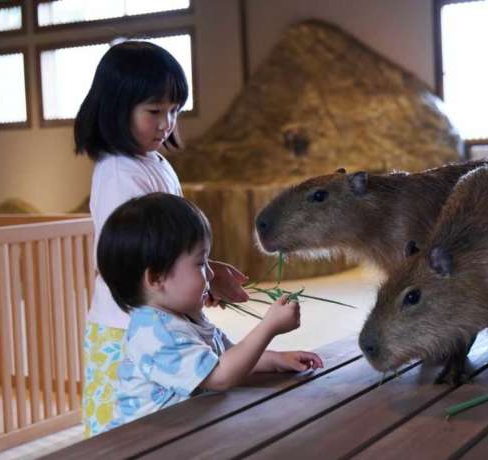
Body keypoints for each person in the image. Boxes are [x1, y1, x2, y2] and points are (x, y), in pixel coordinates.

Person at [74, 40, 249, 437]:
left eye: (174, 111)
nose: (166, 123)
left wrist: (206, 271)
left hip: (158, 313)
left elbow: (169, 242)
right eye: (154, 111)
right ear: (117, 108)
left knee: (173, 420)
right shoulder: (119, 173)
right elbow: (139, 254)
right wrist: (199, 276)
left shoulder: (153, 162)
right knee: (125, 432)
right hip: (128, 323)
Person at [97, 193, 323, 427]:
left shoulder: (184, 316)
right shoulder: (154, 331)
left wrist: (276, 360)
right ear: (156, 277)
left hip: (184, 431)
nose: (211, 273)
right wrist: (269, 327)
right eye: (201, 263)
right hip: (143, 444)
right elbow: (220, 375)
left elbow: (229, 357)